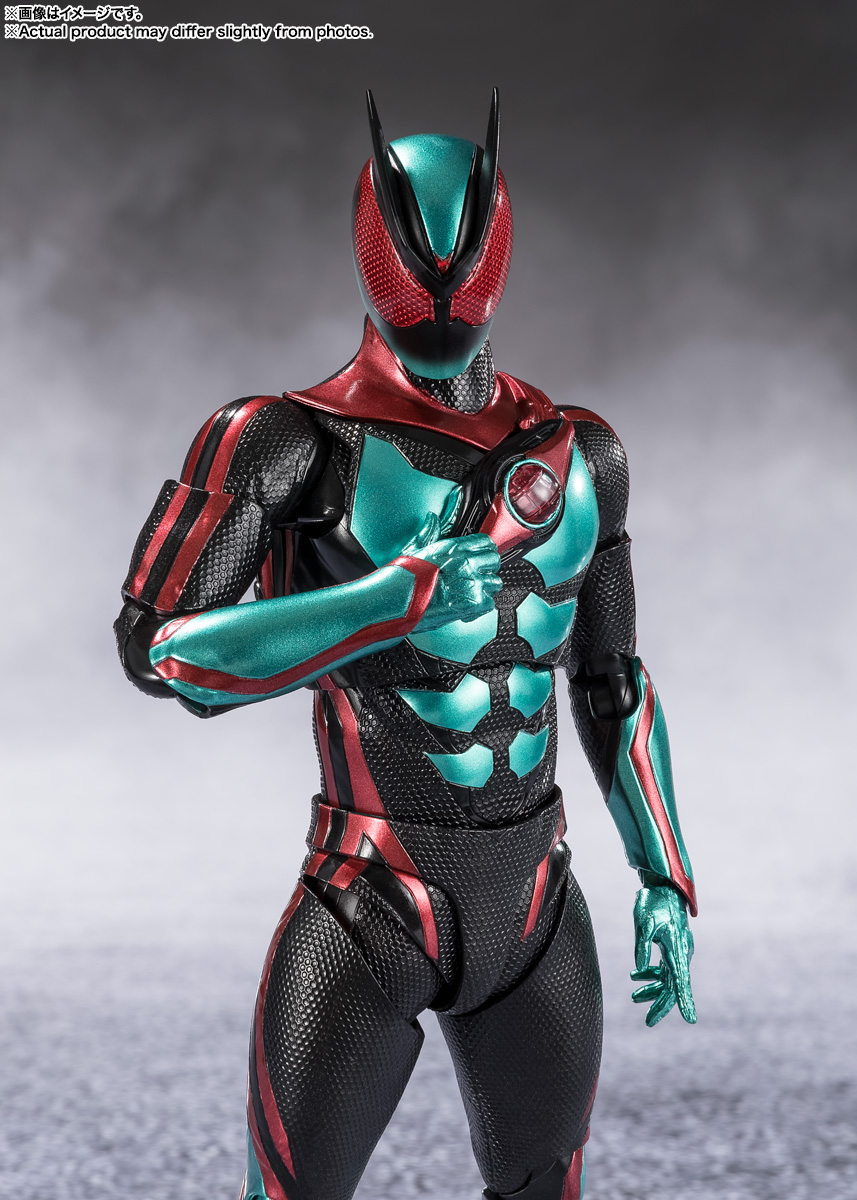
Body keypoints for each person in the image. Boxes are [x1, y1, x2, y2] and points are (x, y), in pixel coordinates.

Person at [115, 90, 697, 1200]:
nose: (437, 291)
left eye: (460, 261)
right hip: (368, 899)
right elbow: (165, 655)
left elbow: (610, 682)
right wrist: (388, 602)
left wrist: (664, 871)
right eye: (413, 263)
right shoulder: (283, 443)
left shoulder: (585, 455)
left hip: (533, 898)